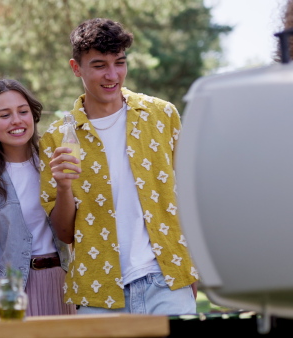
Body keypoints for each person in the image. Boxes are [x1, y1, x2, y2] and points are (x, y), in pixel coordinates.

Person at [39, 18, 198, 315]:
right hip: (98, 293)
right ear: (76, 68)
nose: (112, 75)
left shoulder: (163, 116)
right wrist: (63, 186)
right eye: (99, 65)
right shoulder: (56, 138)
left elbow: (190, 197)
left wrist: (191, 268)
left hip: (167, 281)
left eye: (120, 63)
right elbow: (64, 233)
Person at [0, 79, 75, 317]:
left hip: (61, 285)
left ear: (32, 116)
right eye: (5, 115)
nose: (16, 120)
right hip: (14, 294)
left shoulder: (51, 164)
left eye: (23, 112)